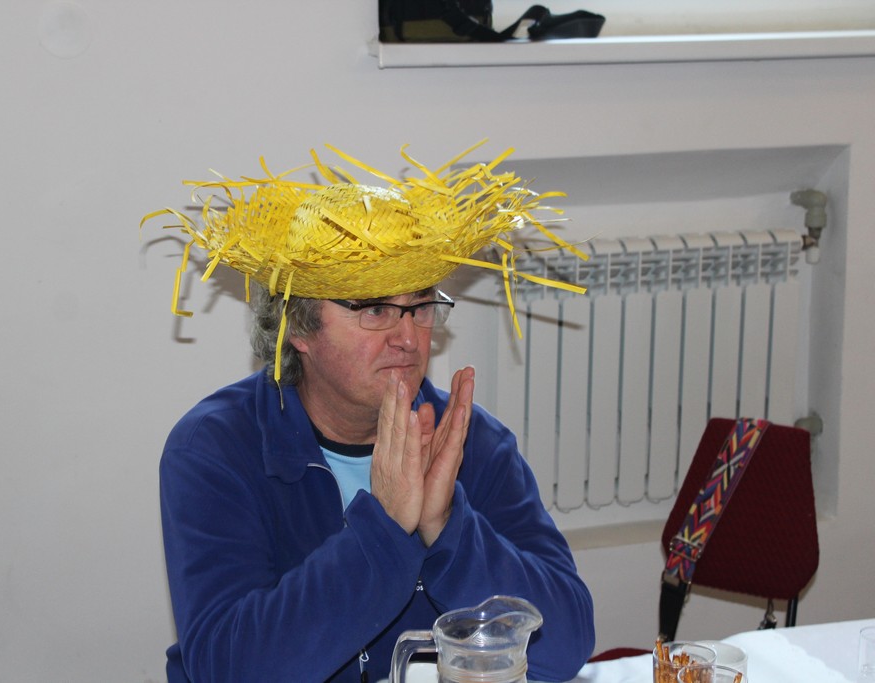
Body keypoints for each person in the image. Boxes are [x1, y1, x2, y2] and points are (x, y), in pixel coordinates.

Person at [148, 142, 595, 682]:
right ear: (298, 327)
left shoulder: (470, 441)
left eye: (420, 306)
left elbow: (564, 645)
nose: (409, 338)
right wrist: (383, 527)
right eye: (376, 309)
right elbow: (230, 669)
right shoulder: (216, 449)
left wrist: (447, 526)